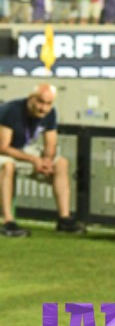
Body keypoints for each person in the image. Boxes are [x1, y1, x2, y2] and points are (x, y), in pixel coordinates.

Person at [0, 83, 82, 235]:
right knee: (8, 166)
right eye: (40, 102)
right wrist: (34, 160)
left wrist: (47, 161)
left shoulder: (49, 114)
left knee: (61, 164)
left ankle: (64, 219)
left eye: (48, 103)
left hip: (22, 150)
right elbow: (3, 147)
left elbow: (50, 143)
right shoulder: (11, 110)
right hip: (5, 151)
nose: (43, 108)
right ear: (30, 99)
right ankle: (8, 222)